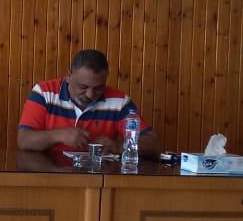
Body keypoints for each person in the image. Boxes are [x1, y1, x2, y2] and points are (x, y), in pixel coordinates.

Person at [17, 48, 159, 156]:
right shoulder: (44, 93)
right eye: (83, 87)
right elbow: (24, 140)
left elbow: (152, 143)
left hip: (99, 177)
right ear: (69, 75)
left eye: (98, 88)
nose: (90, 94)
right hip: (50, 175)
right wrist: (60, 135)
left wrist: (118, 147)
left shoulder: (119, 102)